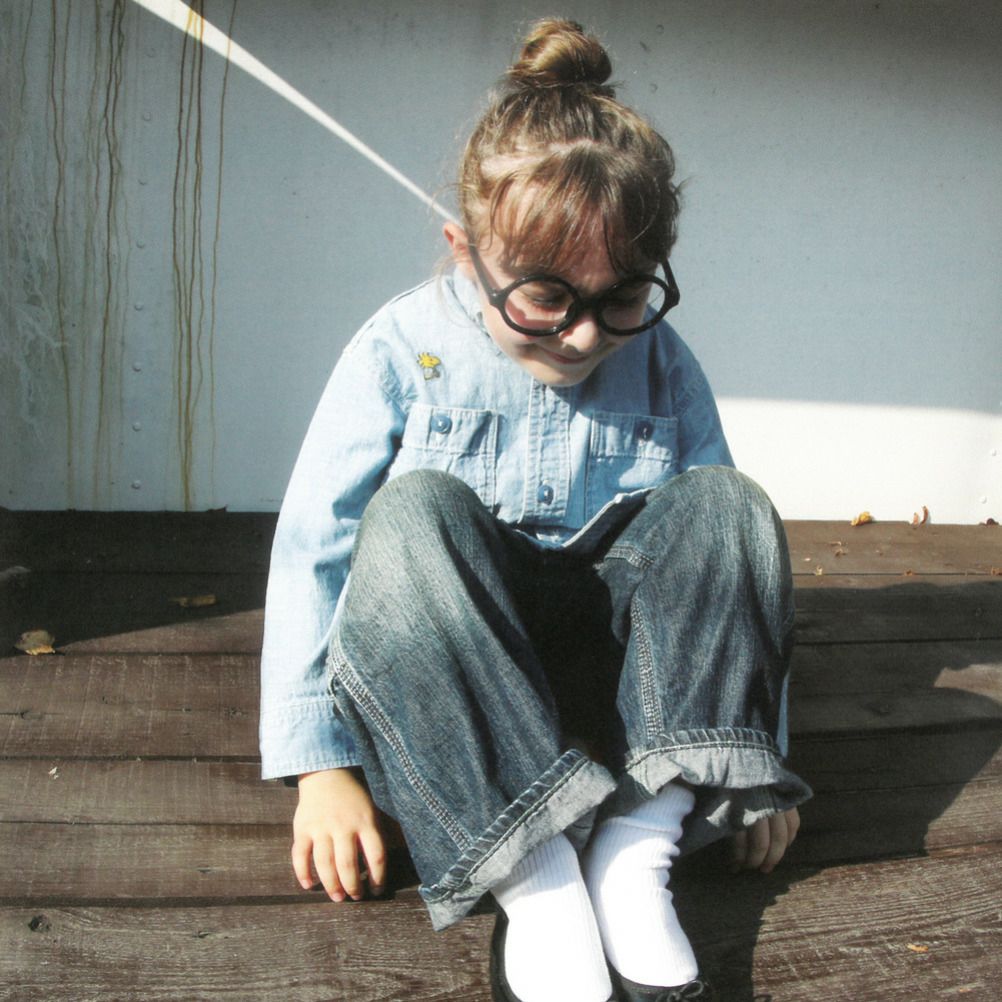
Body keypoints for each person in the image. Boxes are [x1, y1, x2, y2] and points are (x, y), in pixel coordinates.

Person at [260, 18, 811, 1002]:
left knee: (731, 505)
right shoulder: (398, 351)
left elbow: (726, 580)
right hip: (459, 700)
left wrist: (751, 758)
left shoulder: (663, 363)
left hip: (619, 704)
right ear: (465, 251)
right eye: (546, 298)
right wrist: (321, 771)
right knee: (410, 518)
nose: (585, 334)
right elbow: (316, 547)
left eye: (623, 297)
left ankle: (635, 845)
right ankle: (538, 875)